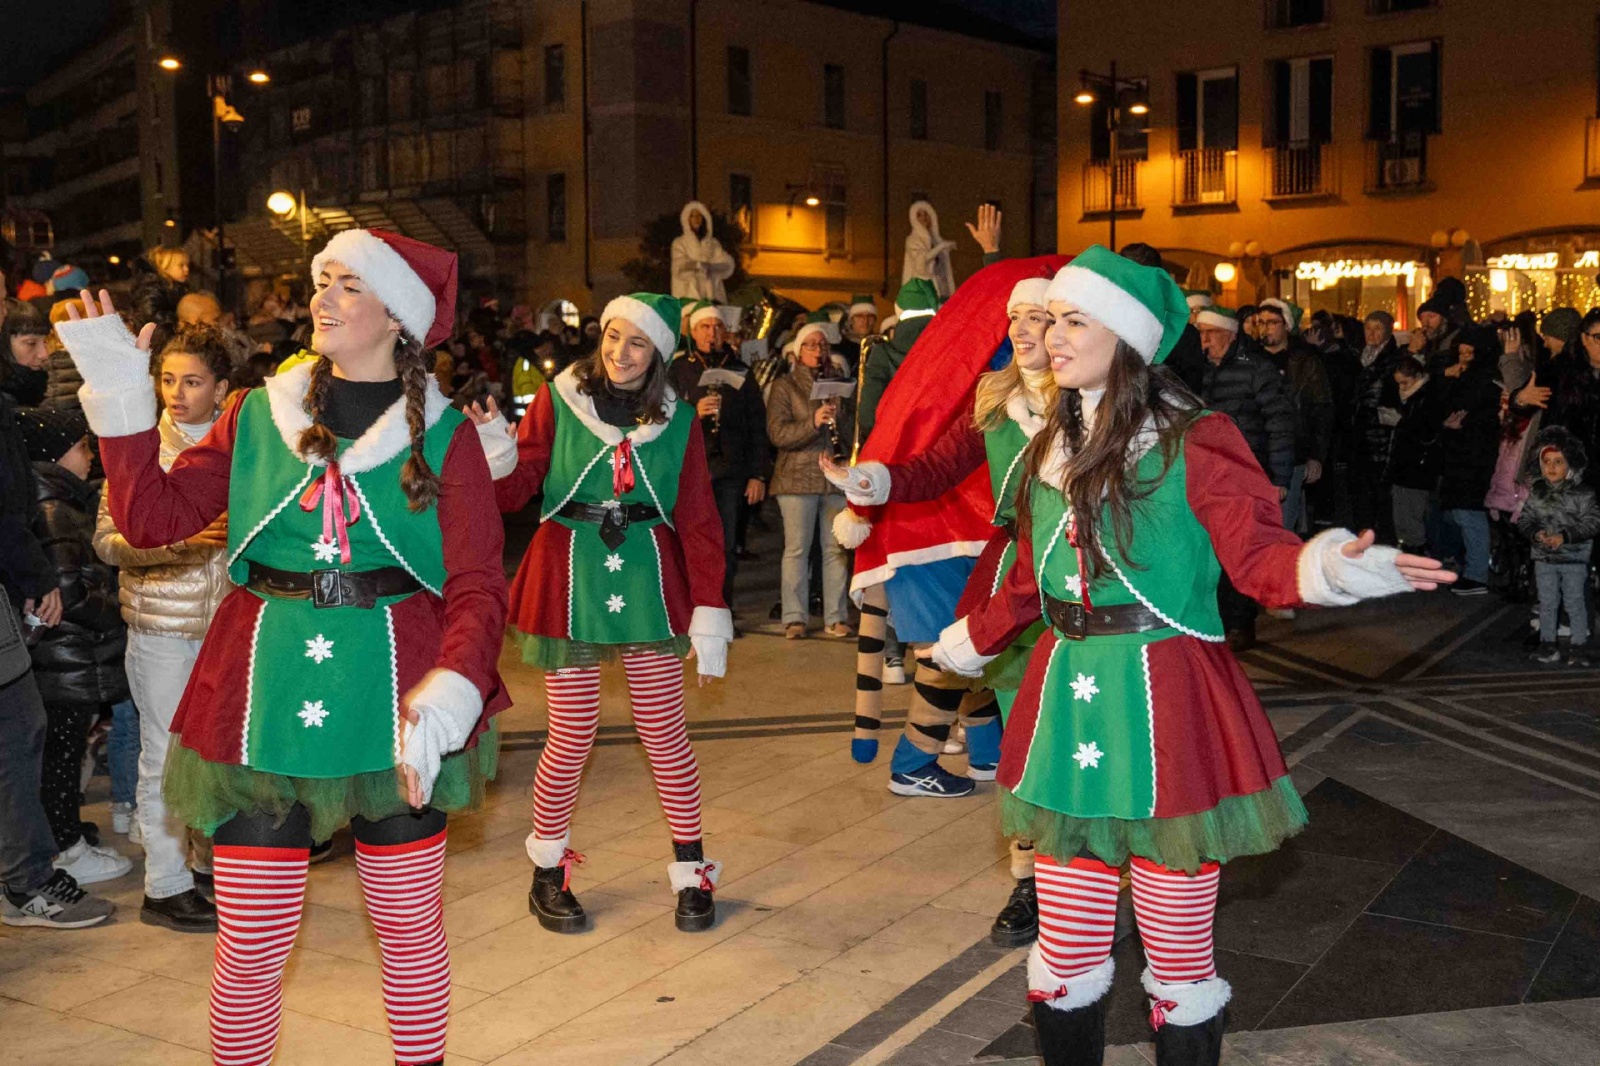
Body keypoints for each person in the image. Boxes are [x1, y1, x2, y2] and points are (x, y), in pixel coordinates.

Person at [925, 246, 1453, 1066]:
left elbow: (1258, 558)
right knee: (1064, 953)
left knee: (1178, 956)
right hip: (1068, 700)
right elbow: (1031, 579)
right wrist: (971, 639)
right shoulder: (1048, 446)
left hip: (1168, 707)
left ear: (1127, 338)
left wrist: (1328, 566)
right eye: (1048, 320)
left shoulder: (1194, 439)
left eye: (1072, 320)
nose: (1048, 338)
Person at [57, 226, 508, 1066]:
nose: (321, 297)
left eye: (345, 284)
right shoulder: (260, 410)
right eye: (320, 281)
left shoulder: (444, 437)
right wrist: (121, 394)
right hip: (259, 694)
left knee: (410, 932)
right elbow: (153, 519)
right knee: (251, 947)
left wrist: (453, 689)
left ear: (398, 317)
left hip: (397, 694)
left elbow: (479, 583)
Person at [490, 291, 731, 936]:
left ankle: (690, 871)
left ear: (658, 354)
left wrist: (710, 603)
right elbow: (517, 489)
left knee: (665, 733)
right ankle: (547, 872)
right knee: (570, 734)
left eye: (637, 343)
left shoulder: (677, 421)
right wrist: (495, 449)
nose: (619, 353)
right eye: (612, 336)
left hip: (649, 578)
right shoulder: (558, 398)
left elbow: (701, 516)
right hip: (568, 572)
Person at [825, 273, 1056, 938]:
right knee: (1020, 744)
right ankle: (1029, 884)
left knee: (1079, 737)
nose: (1021, 329)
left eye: (1039, 318)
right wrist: (879, 478)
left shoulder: (1097, 404)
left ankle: (1093, 868)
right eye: (1016, 319)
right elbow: (936, 468)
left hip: (1083, 586)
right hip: (1014, 586)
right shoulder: (993, 399)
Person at [92, 323, 236, 932]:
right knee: (164, 756)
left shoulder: (244, 449)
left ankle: (207, 867)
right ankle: (165, 885)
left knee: (222, 756)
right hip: (160, 628)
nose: (177, 393)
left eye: (193, 381)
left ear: (223, 390)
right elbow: (106, 541)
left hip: (230, 627)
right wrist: (174, 543)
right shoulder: (139, 445)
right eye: (167, 379)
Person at [0, 385, 118, 929]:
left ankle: (30, 871)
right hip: (45, 632)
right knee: (26, 739)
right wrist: (37, 575)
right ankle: (33, 877)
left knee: (29, 741)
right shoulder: (51, 502)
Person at [17, 407, 134, 885]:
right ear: (56, 454)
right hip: (64, 659)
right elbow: (67, 592)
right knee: (62, 756)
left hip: (66, 659)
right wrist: (117, 611)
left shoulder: (60, 499)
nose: (91, 455)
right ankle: (65, 848)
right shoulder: (53, 507)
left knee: (64, 752)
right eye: (83, 446)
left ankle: (66, 832)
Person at [1197, 305, 1294, 649]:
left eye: (1210, 332)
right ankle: (1220, 618)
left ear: (1230, 334)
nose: (1204, 339)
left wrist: (1279, 476)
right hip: (1210, 475)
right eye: (1201, 332)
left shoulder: (1256, 370)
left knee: (1241, 545)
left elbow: (1279, 424)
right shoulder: (1199, 372)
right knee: (1213, 547)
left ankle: (1241, 622)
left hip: (1248, 472)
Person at [669, 302, 770, 613]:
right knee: (686, 541)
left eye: (717, 327)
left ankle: (718, 608)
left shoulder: (739, 369)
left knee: (724, 543)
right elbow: (662, 419)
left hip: (730, 470)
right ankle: (684, 609)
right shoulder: (678, 369)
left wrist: (758, 474)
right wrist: (692, 414)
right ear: (693, 332)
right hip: (689, 471)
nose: (712, 333)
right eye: (704, 327)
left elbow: (757, 424)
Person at [768, 322, 855, 639]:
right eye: (811, 345)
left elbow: (850, 436)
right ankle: (794, 618)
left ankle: (836, 616)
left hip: (832, 477)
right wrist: (813, 422)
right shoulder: (784, 386)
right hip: (796, 479)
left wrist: (841, 415)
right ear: (798, 351)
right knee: (797, 551)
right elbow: (778, 434)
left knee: (835, 550)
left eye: (823, 346)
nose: (819, 351)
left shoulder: (837, 385)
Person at [1517, 426, 1600, 665]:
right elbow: (1525, 520)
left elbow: (1592, 522)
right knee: (1547, 602)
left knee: (1574, 602)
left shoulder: (1584, 495)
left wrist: (1565, 536)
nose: (1551, 468)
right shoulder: (1537, 493)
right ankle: (1548, 644)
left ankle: (1578, 646)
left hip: (1573, 559)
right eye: (1547, 462)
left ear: (1571, 466)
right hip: (1544, 558)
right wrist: (1535, 533)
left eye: (1558, 462)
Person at [1435, 328, 1503, 596]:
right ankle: (1472, 567)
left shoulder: (1485, 381)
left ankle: (1477, 574)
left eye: (1469, 352)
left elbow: (1480, 417)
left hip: (1475, 456)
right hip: (1460, 454)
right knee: (1460, 513)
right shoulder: (1462, 377)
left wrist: (1458, 424)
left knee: (1469, 513)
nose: (1463, 357)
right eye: (1460, 351)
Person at [1256, 299, 1332, 534]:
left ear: (1286, 326)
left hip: (1293, 452)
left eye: (1272, 322)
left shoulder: (1305, 362)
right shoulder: (1251, 359)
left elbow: (1320, 409)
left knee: (1284, 524)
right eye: (1260, 322)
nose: (1265, 328)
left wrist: (1316, 455)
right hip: (1257, 452)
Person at [1350, 311, 1403, 541]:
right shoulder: (1359, 357)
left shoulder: (1393, 360)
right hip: (1361, 434)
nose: (1371, 334)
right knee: (1363, 492)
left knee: (1380, 494)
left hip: (1382, 435)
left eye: (1377, 329)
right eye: (1368, 328)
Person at [671, 201, 736, 302]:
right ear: (687, 219)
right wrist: (696, 265)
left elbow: (726, 263)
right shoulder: (679, 243)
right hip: (689, 295)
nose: (696, 219)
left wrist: (711, 267)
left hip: (712, 296)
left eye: (699, 216)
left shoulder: (713, 243)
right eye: (692, 216)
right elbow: (678, 266)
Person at [902, 200, 957, 300]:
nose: (923, 218)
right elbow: (921, 260)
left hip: (941, 290)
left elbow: (943, 269)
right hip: (922, 291)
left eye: (926, 214)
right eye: (919, 215)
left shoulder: (936, 240)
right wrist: (941, 246)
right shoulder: (912, 240)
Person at [3, 298, 52, 407]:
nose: (44, 354)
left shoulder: (52, 382)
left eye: (47, 342)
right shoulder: (5, 402)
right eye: (31, 343)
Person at [130, 246, 190, 332]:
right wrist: (177, 320)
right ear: (165, 267)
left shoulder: (179, 288)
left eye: (187, 265)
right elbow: (149, 314)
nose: (186, 269)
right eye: (181, 266)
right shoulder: (151, 287)